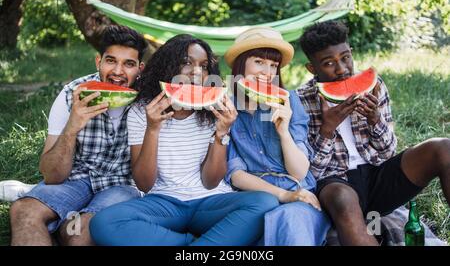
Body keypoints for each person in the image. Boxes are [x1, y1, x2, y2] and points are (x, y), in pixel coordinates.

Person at [89, 34, 279, 246]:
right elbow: (144, 183)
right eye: (187, 62)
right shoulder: (142, 111)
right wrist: (152, 129)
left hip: (210, 202)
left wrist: (221, 134)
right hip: (164, 203)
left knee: (264, 202)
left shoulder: (212, 111)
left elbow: (211, 181)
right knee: (104, 222)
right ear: (168, 66)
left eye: (204, 66)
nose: (197, 72)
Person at [297, 20, 450, 246]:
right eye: (329, 63)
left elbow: (388, 152)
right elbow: (310, 173)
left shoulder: (373, 85)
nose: (341, 69)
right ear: (312, 68)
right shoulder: (300, 100)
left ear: (351, 52)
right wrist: (327, 129)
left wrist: (375, 118)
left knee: (443, 147)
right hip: (335, 184)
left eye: (345, 57)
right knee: (343, 198)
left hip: (378, 177)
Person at [8, 25, 148, 246]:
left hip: (122, 185)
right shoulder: (71, 94)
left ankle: (62, 228)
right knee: (23, 210)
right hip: (75, 180)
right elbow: (52, 176)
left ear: (140, 68)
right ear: (97, 62)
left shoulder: (148, 102)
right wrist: (72, 127)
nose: (118, 72)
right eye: (111, 60)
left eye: (128, 64)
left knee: (78, 234)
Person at [223, 26, 331, 246]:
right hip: (255, 197)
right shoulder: (227, 108)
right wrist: (282, 195)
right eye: (259, 62)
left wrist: (284, 132)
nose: (267, 72)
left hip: (299, 194)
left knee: (288, 219)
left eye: (273, 65)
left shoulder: (289, 100)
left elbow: (300, 171)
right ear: (240, 65)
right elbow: (236, 175)